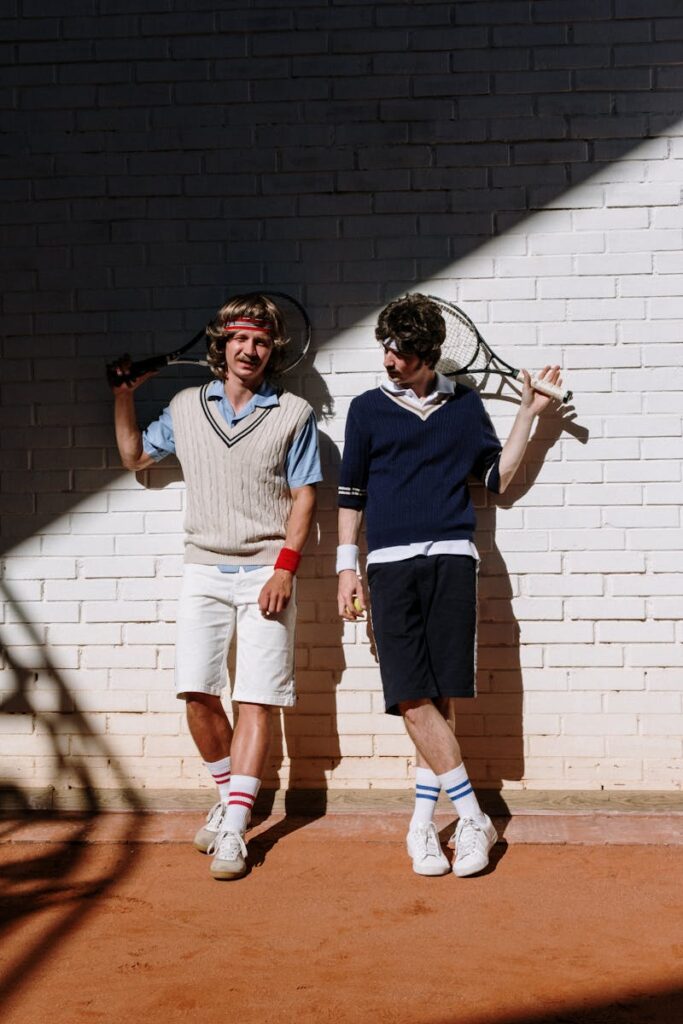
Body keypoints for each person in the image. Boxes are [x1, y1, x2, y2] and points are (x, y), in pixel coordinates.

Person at [336, 293, 561, 878]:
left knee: (439, 696)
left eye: (403, 352)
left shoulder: (464, 409)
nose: (389, 360)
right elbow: (351, 494)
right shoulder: (364, 409)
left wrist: (527, 414)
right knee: (410, 695)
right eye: (385, 347)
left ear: (428, 353)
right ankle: (473, 816)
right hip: (387, 565)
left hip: (454, 560)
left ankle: (420, 828)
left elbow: (497, 480)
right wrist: (343, 566)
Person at [110, 294, 321, 880]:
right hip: (203, 568)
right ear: (222, 344)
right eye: (240, 339)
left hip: (266, 572)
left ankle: (234, 827)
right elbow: (134, 457)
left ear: (271, 350)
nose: (249, 350)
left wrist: (285, 567)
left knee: (255, 697)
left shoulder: (294, 414)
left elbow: (305, 495)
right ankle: (234, 796)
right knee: (197, 695)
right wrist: (124, 395)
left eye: (260, 341)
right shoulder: (182, 406)